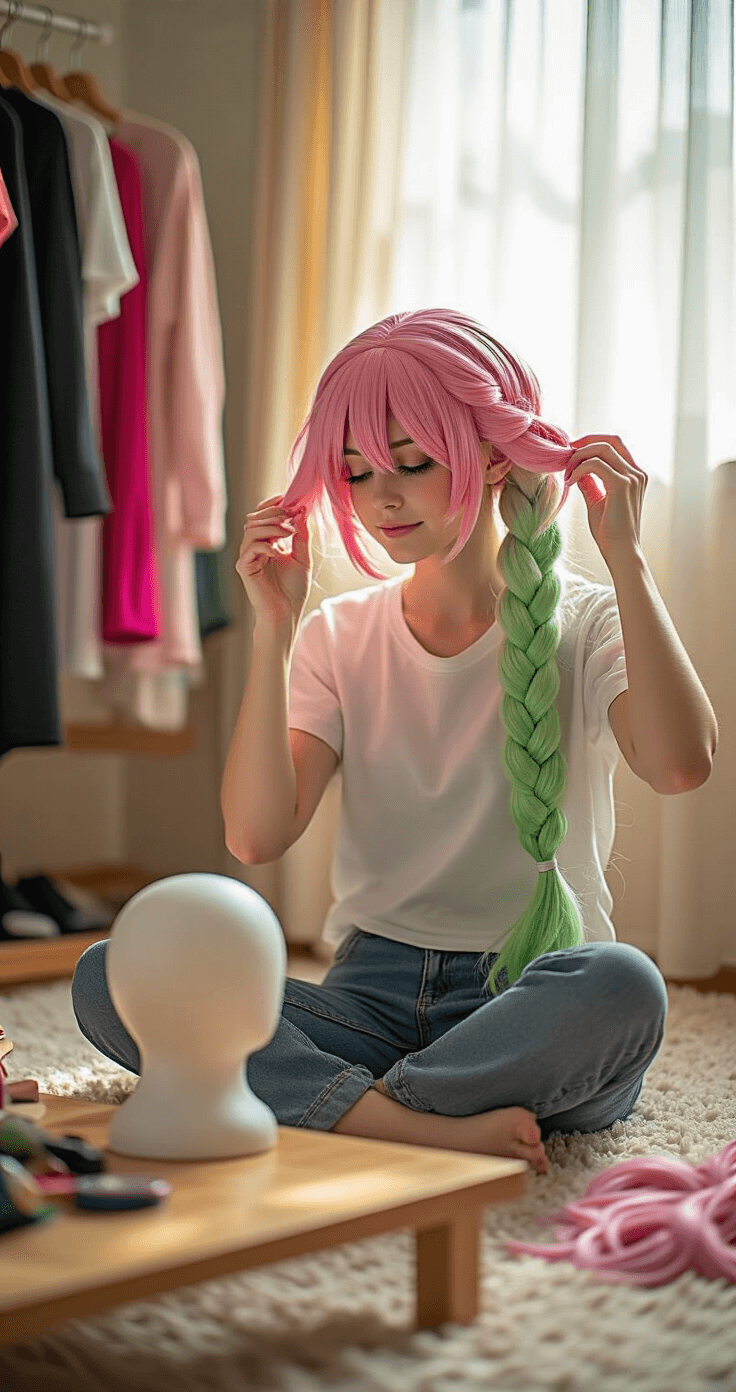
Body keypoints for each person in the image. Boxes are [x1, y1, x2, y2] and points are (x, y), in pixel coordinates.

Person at [73, 308, 676, 1177]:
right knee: (114, 971)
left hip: (527, 997)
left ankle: (343, 1104)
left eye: (412, 463)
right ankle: (414, 1119)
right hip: (369, 998)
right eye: (355, 472)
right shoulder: (337, 633)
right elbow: (256, 835)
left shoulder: (586, 620)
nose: (380, 497)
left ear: (494, 454)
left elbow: (678, 765)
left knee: (623, 986)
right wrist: (274, 629)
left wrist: (630, 562)